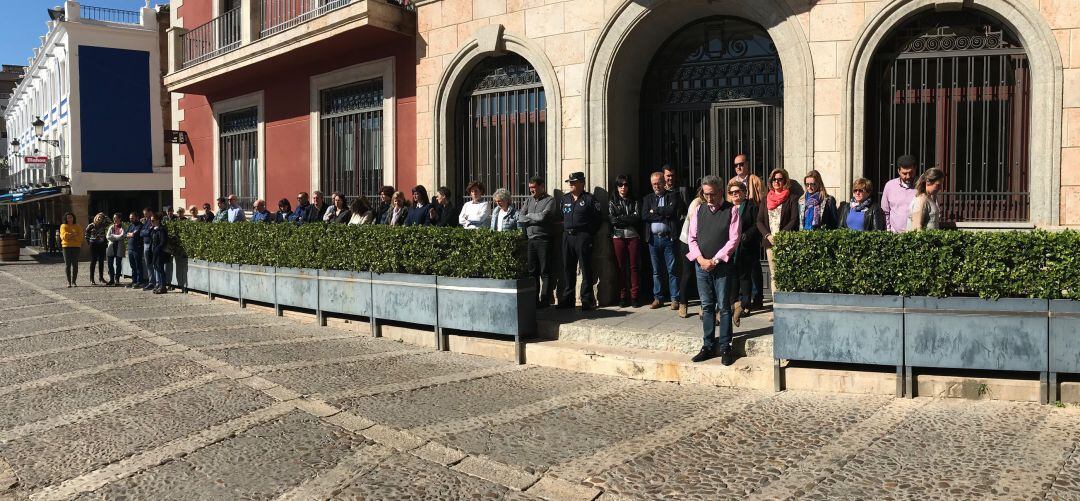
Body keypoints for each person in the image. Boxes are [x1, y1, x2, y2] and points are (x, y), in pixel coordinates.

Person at [687, 175, 742, 365]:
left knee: (724, 307)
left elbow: (733, 240)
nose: (708, 197)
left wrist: (715, 260)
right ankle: (708, 345)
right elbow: (691, 238)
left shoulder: (732, 211)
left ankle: (726, 346)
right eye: (705, 193)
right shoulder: (698, 210)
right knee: (707, 306)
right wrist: (701, 259)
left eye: (711, 194)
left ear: (720, 192)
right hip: (701, 265)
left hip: (721, 266)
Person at [558, 172, 602, 310]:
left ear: (582, 183)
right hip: (567, 237)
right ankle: (568, 298)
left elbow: (597, 219)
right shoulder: (565, 199)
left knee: (585, 268)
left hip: (582, 236)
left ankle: (587, 299)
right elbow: (561, 216)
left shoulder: (590, 199)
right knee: (568, 268)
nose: (570, 184)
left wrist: (588, 233)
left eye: (574, 182)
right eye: (569, 182)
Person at [643, 171, 682, 310]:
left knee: (672, 270)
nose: (656, 186)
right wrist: (661, 213)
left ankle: (674, 299)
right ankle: (658, 298)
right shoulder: (648, 198)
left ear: (663, 182)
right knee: (656, 271)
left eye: (658, 183)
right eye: (654, 184)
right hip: (653, 239)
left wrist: (656, 211)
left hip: (668, 238)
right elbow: (645, 215)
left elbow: (671, 212)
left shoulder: (672, 195)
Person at [757, 168, 800, 293]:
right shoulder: (766, 199)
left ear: (785, 181)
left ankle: (787, 301)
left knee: (787, 272)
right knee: (774, 274)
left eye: (780, 179)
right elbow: (759, 221)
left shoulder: (792, 198)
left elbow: (794, 219)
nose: (777, 182)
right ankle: (776, 303)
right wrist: (767, 235)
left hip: (785, 240)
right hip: (770, 241)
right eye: (774, 179)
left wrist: (781, 235)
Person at [519, 176, 557, 308]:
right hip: (531, 240)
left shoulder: (550, 200)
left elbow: (544, 216)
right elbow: (520, 217)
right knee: (532, 272)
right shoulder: (528, 201)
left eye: (534, 187)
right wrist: (531, 217)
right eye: (530, 188)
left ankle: (545, 300)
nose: (531, 190)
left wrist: (529, 217)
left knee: (545, 271)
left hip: (544, 240)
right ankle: (533, 299)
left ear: (542, 187)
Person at [727, 180, 759, 327]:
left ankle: (746, 304)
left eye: (737, 191)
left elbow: (756, 224)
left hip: (746, 247)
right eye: (732, 192)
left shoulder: (751, 207)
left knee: (744, 276)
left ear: (744, 192)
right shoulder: (727, 208)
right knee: (732, 277)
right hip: (731, 248)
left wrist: (747, 235)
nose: (735, 194)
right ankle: (734, 304)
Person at [609, 174, 642, 308]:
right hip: (618, 237)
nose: (623, 187)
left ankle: (634, 296)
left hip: (633, 236)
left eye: (626, 184)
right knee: (620, 267)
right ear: (616, 187)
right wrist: (628, 218)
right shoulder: (612, 202)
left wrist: (622, 218)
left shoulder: (634, 200)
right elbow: (612, 220)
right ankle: (622, 296)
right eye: (620, 185)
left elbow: (637, 217)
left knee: (634, 267)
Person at [664, 165, 693, 317]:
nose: (670, 178)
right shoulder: (660, 192)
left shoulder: (682, 190)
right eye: (668, 175)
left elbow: (687, 211)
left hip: (682, 235)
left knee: (682, 269)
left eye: (672, 175)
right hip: (665, 234)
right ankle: (672, 297)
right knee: (669, 268)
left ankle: (679, 299)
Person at [881, 155, 918, 233]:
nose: (908, 176)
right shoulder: (890, 186)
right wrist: (888, 230)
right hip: (895, 235)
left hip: (917, 236)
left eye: (911, 173)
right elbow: (885, 211)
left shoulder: (922, 186)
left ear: (915, 169)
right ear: (898, 171)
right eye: (904, 173)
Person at [908, 167, 944, 231]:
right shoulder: (920, 200)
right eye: (938, 185)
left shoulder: (929, 198)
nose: (940, 188)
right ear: (928, 182)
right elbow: (916, 228)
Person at [149, 213, 171, 294]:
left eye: (153, 220)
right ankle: (160, 285)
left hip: (160, 252)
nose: (151, 222)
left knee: (161, 269)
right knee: (156, 268)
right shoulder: (154, 229)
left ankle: (163, 286)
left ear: (158, 220)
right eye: (151, 220)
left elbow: (163, 242)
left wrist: (157, 249)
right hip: (155, 251)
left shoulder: (162, 229)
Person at [60, 212, 83, 288]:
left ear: (73, 218)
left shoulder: (78, 226)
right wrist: (74, 235)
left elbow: (80, 237)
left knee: (75, 264)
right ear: (66, 219)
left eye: (71, 217)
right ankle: (69, 282)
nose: (70, 219)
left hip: (76, 247)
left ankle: (74, 281)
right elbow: (64, 236)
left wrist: (70, 236)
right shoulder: (63, 226)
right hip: (66, 247)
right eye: (68, 217)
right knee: (68, 265)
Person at [85, 212, 108, 285]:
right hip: (94, 244)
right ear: (95, 217)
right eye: (98, 217)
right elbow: (86, 234)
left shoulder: (103, 225)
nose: (99, 218)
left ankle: (101, 278)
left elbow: (110, 221)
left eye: (101, 218)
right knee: (93, 261)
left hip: (101, 244)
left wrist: (104, 215)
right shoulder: (91, 225)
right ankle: (92, 279)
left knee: (101, 261)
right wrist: (89, 242)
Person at [105, 213, 125, 286]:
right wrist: (117, 237)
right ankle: (111, 279)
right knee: (110, 264)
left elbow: (122, 236)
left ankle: (117, 280)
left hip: (119, 248)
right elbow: (107, 236)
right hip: (111, 247)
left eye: (115, 218)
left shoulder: (122, 227)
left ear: (119, 218)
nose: (114, 219)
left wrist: (113, 236)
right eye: (113, 218)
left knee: (118, 264)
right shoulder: (111, 227)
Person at [125, 211, 145, 287]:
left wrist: (132, 234)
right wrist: (131, 234)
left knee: (138, 265)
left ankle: (139, 281)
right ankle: (134, 280)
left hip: (137, 248)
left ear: (136, 217)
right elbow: (126, 234)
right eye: (130, 218)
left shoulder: (140, 225)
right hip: (130, 248)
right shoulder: (130, 225)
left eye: (132, 218)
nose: (131, 219)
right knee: (132, 266)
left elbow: (135, 234)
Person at [140, 207, 158, 291]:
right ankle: (151, 282)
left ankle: (156, 283)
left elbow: (150, 232)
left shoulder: (153, 221)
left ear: (150, 212)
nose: (145, 216)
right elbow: (141, 232)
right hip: (145, 244)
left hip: (151, 244)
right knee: (148, 264)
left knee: (154, 264)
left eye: (146, 214)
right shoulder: (146, 221)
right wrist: (146, 232)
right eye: (144, 214)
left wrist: (146, 232)